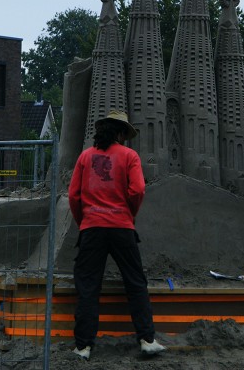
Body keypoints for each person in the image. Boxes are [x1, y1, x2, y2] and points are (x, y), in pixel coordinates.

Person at [68, 109, 166, 359]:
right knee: (135, 282)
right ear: (120, 133)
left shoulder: (85, 157)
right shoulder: (129, 155)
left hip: (92, 228)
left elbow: (73, 195)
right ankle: (146, 339)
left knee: (88, 286)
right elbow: (138, 190)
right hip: (122, 227)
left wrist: (84, 221)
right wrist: (128, 214)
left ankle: (83, 347)